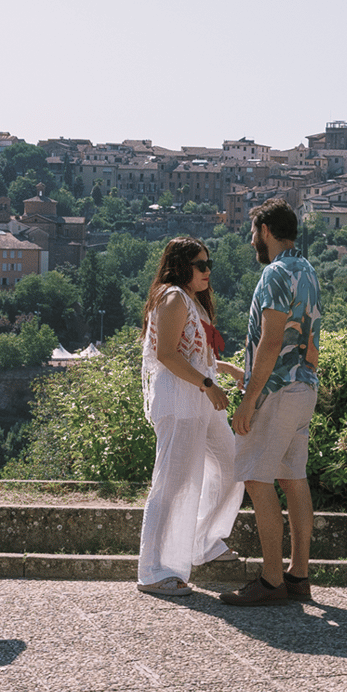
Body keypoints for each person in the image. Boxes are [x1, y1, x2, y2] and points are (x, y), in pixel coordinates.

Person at [223, 199, 322, 607]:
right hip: (305, 387)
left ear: (265, 230)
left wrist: (247, 402)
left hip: (277, 391)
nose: (252, 242)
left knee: (255, 478)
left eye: (253, 233)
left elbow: (271, 340)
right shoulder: (308, 271)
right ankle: (298, 575)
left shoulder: (276, 273)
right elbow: (307, 340)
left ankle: (270, 580)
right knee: (292, 477)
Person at [135, 237, 246, 597]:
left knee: (232, 465)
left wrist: (224, 369)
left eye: (208, 263)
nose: (207, 270)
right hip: (181, 399)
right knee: (172, 483)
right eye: (200, 264)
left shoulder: (190, 301)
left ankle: (204, 542)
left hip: (197, 397)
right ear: (180, 265)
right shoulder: (171, 297)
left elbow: (193, 353)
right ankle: (154, 570)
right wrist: (209, 384)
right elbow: (166, 354)